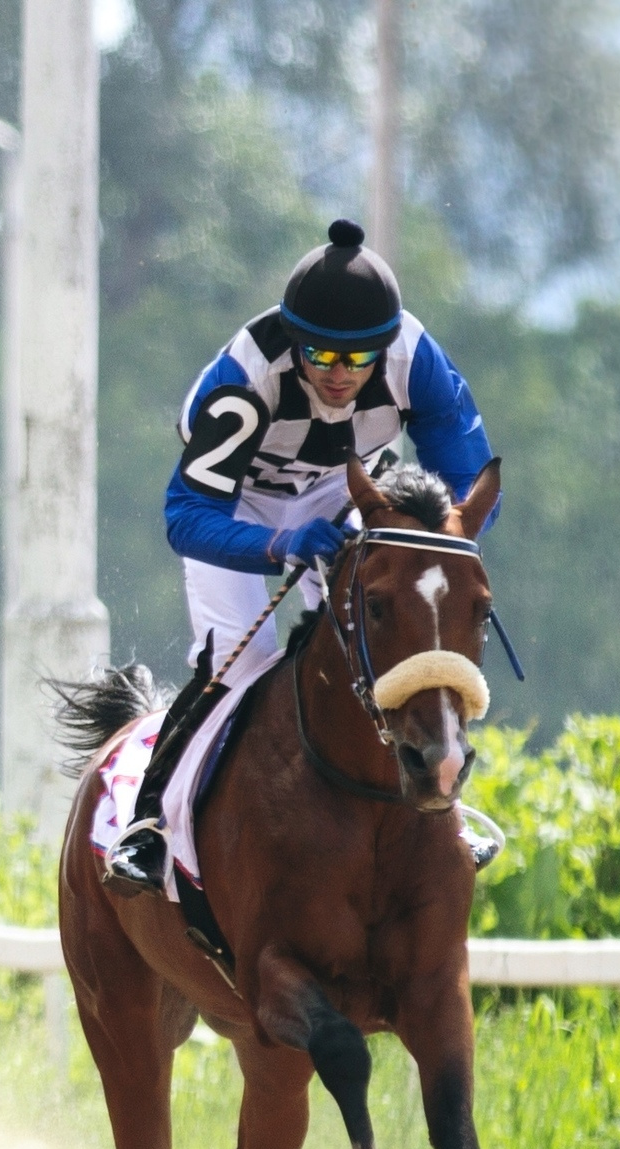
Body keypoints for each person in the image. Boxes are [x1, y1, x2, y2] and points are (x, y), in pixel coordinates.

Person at [103, 217, 498, 897]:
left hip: (351, 495)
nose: (339, 376)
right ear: (295, 344)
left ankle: (445, 807)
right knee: (238, 663)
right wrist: (280, 545)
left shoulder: (415, 357)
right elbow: (186, 517)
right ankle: (151, 825)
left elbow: (464, 490)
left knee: (391, 648)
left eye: (356, 361)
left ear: (383, 349)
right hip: (237, 508)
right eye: (320, 359)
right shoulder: (245, 380)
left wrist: (429, 559)